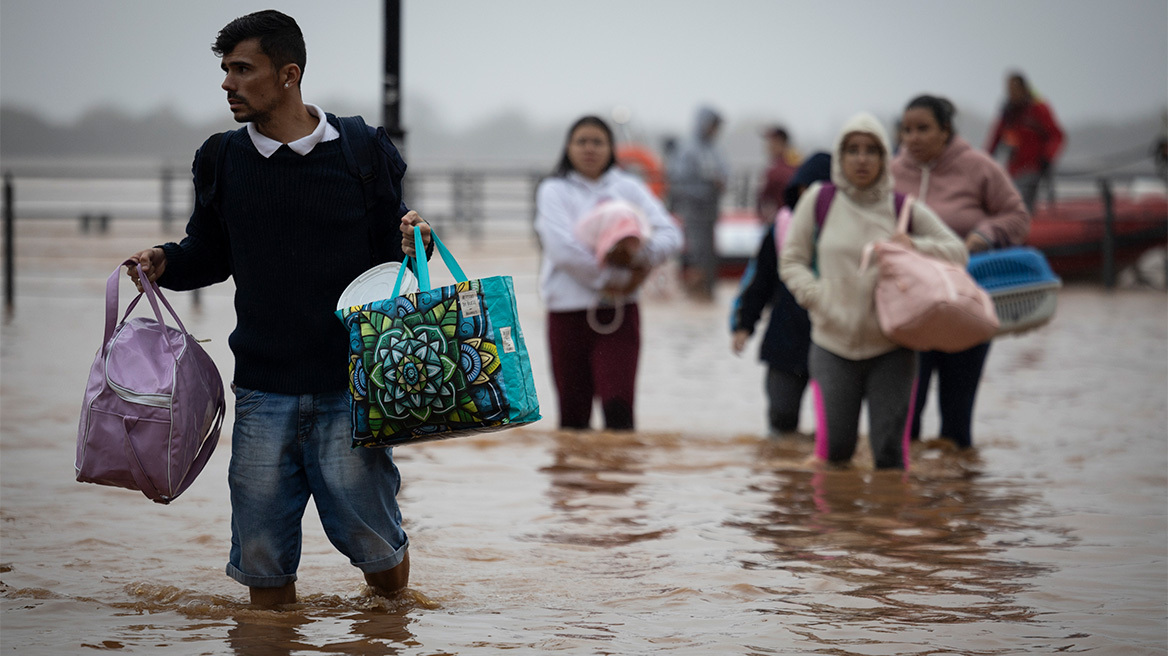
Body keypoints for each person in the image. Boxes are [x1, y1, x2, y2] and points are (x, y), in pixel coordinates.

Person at [124, 10, 431, 607]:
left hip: (353, 386)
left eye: (242, 69)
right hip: (262, 389)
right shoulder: (220, 158)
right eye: (225, 70)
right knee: (262, 563)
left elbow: (391, 267)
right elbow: (210, 253)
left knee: (377, 548)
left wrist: (411, 241)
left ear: (288, 74)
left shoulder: (362, 149)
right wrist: (167, 260)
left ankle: (391, 634)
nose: (227, 83)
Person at [779, 112, 966, 470]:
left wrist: (913, 243)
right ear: (840, 157)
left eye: (871, 151)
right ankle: (837, 525)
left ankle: (887, 523)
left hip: (893, 346)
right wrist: (816, 297)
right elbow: (792, 260)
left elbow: (958, 252)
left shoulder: (903, 208)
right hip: (831, 344)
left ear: (885, 158)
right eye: (852, 150)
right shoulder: (820, 200)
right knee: (835, 454)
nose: (861, 159)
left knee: (889, 455)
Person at [893, 95, 1030, 450]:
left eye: (923, 129)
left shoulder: (978, 166)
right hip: (910, 310)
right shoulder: (891, 172)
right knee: (903, 422)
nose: (913, 138)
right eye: (906, 130)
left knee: (957, 425)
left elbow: (1017, 215)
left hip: (967, 307)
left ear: (946, 130)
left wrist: (984, 235)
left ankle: (960, 501)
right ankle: (901, 501)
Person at [535, 116, 683, 430]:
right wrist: (614, 279)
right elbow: (562, 250)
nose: (590, 149)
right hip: (566, 313)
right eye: (582, 141)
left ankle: (620, 478)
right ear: (568, 147)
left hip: (619, 314)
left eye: (598, 142)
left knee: (620, 410)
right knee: (573, 417)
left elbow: (670, 235)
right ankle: (576, 479)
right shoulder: (553, 190)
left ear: (611, 148)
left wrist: (635, 258)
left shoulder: (629, 187)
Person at [730, 152, 830, 437]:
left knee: (835, 427)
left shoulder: (847, 234)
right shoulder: (780, 230)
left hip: (834, 338)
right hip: (785, 338)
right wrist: (744, 326)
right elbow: (760, 282)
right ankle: (783, 478)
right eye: (805, 189)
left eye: (820, 191)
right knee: (781, 418)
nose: (810, 198)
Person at [670, 106, 730, 301]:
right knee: (695, 250)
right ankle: (694, 293)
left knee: (709, 252)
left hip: (711, 210)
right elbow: (678, 179)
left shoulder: (716, 150)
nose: (714, 130)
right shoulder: (687, 149)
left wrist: (719, 182)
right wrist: (704, 185)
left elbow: (725, 174)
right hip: (693, 209)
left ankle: (708, 292)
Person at [984, 72, 1065, 213]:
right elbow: (995, 138)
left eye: (1014, 88)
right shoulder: (1008, 111)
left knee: (1022, 202)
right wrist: (985, 159)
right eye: (1008, 89)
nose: (1011, 92)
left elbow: (1057, 135)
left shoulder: (1038, 108)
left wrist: (1048, 157)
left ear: (1023, 88)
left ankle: (1029, 226)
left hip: (1034, 166)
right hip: (1013, 167)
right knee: (1010, 199)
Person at [755, 126, 799, 223]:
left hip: (781, 223)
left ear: (780, 143)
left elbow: (764, 198)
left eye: (771, 142)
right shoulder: (797, 162)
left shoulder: (778, 170)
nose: (768, 146)